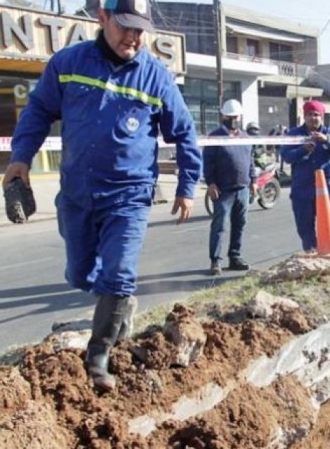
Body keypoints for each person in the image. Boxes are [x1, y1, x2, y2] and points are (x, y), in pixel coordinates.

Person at [1, 0, 202, 392]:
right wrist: (21, 157)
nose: (134, 37)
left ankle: (99, 357)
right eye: (126, 26)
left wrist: (186, 185)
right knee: (80, 273)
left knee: (120, 273)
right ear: (103, 17)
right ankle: (117, 301)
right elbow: (38, 111)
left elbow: (185, 134)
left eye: (141, 29)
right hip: (77, 192)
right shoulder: (68, 63)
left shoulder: (156, 76)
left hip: (129, 195)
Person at [280, 100, 330, 253]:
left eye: (316, 115)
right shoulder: (294, 134)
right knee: (305, 225)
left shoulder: (329, 132)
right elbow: (286, 156)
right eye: (310, 114)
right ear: (304, 116)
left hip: (327, 188)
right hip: (302, 189)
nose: (313, 118)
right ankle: (312, 253)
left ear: (321, 117)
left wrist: (327, 140)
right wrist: (303, 150)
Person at [204, 100, 257, 276]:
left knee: (239, 225)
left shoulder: (245, 138)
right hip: (223, 190)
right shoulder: (215, 137)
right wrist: (210, 182)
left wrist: (254, 181)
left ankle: (235, 257)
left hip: (242, 189)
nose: (233, 120)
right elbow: (208, 163)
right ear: (223, 116)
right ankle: (215, 261)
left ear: (240, 117)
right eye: (229, 116)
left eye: (235, 117)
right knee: (219, 226)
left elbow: (250, 161)